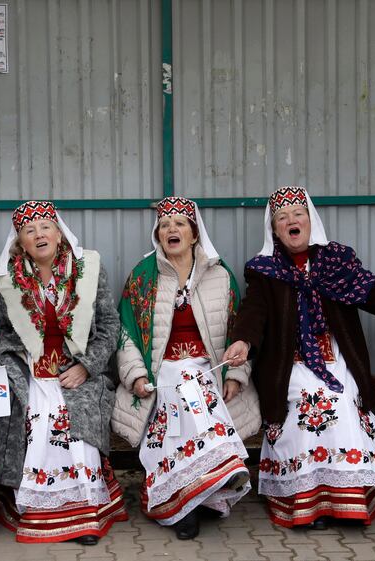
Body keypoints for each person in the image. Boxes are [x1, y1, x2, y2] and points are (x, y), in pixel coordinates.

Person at [223, 186, 375, 529]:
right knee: (310, 402)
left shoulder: (336, 260)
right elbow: (254, 312)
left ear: (311, 221)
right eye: (282, 217)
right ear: (275, 229)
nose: (291, 221)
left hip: (335, 355)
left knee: (340, 401)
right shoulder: (264, 270)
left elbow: (370, 290)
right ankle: (307, 502)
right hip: (289, 361)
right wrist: (243, 342)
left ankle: (346, 501)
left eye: (298, 214)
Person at [113, 196, 261, 539]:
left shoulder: (219, 275)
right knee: (179, 398)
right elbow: (126, 333)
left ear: (194, 234)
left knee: (197, 393)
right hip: (160, 370)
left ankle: (204, 496)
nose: (171, 230)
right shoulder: (142, 277)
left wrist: (236, 375)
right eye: (164, 225)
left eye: (180, 224)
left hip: (209, 368)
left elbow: (240, 332)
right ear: (158, 235)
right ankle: (181, 504)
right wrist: (135, 375)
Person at [0, 200, 127, 545]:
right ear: (20, 242)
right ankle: (35, 509)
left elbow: (110, 324)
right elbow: (2, 333)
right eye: (29, 230)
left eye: (45, 227)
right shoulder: (7, 280)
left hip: (76, 369)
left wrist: (87, 366)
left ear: (59, 232)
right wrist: (18, 365)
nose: (39, 235)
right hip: (31, 371)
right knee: (37, 414)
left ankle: (81, 514)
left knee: (70, 418)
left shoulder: (89, 267)